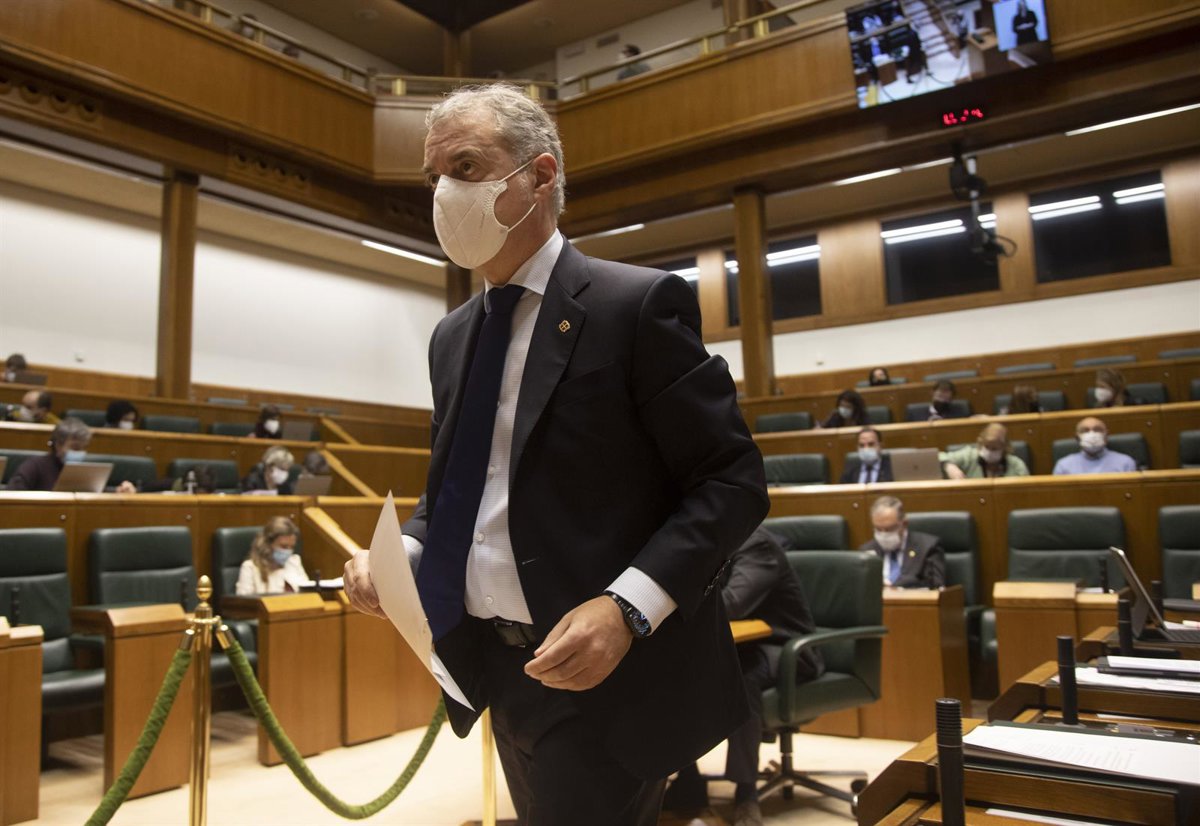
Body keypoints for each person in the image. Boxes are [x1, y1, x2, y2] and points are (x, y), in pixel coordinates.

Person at [342, 84, 767, 825]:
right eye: (434, 176)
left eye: (465, 167)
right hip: (499, 667)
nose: (443, 193)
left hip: (608, 670)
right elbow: (458, 491)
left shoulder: (635, 305)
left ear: (539, 176)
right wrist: (402, 553)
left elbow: (731, 482)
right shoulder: (452, 336)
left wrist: (627, 608)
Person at [662, 527, 822, 825]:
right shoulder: (709, 544)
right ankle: (688, 781)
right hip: (739, 646)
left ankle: (746, 792)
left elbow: (733, 602)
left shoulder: (756, 545)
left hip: (787, 648)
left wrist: (668, 613)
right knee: (675, 674)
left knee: (741, 674)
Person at [860, 495, 945, 588]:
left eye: (890, 529)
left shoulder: (927, 547)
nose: (883, 534)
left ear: (904, 524)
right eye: (878, 529)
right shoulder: (866, 551)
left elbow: (936, 586)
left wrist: (895, 588)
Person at [6, 417, 90, 491]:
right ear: (58, 445)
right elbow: (12, 497)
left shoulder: (87, 473)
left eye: (83, 447)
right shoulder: (34, 466)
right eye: (75, 447)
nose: (80, 452)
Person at [236, 516, 308, 595]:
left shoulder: (294, 561)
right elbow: (243, 601)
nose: (288, 551)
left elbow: (308, 594)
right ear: (268, 544)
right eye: (283, 546)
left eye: (291, 547)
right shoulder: (250, 568)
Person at [941, 422, 1030, 479]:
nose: (989, 452)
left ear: (1005, 448)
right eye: (986, 447)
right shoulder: (969, 456)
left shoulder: (1017, 466)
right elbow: (939, 456)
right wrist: (949, 466)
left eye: (994, 448)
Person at [1052, 416, 1137, 475]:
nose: (1092, 434)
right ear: (1077, 438)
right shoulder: (1063, 465)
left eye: (1097, 430)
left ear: (1106, 436)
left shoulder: (1125, 462)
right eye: (1085, 431)